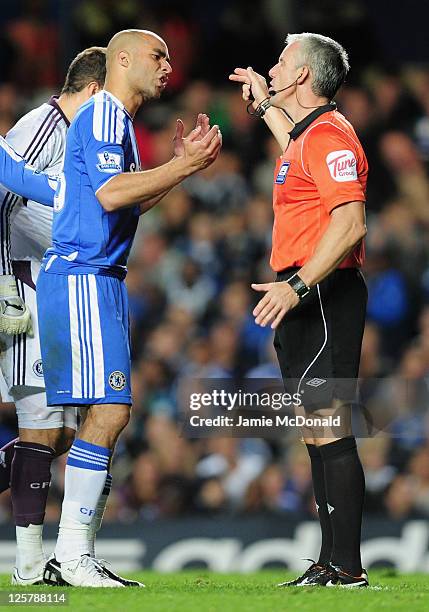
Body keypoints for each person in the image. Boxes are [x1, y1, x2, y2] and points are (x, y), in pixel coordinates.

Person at [37, 29, 221, 588]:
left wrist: (175, 166)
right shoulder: (102, 115)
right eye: (157, 56)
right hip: (84, 277)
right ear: (121, 60)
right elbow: (112, 195)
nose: (168, 65)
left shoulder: (115, 124)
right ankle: (71, 557)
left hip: (95, 280)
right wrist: (184, 169)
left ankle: (70, 556)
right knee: (110, 414)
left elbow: (129, 200)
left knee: (77, 425)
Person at [230, 32, 368, 587]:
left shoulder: (331, 137)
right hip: (304, 292)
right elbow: (294, 143)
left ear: (304, 77)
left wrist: (300, 288)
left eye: (282, 62)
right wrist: (266, 103)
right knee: (314, 430)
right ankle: (331, 563)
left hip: (321, 292)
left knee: (329, 426)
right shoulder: (309, 136)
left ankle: (347, 568)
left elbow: (351, 223)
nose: (273, 65)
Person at [0, 47, 112, 586]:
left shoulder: (81, 136)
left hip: (49, 291)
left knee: (62, 434)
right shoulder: (44, 126)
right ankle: (28, 569)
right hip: (19, 289)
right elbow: (6, 199)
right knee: (42, 426)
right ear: (94, 91)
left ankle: (31, 564)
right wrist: (68, 234)